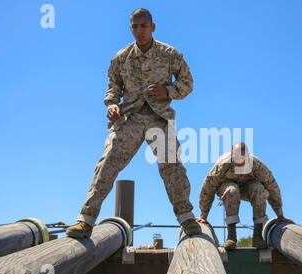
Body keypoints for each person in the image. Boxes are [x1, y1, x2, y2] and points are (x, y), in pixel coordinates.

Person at [66, 8, 201, 238]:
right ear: (130, 29)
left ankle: (187, 219)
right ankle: (85, 220)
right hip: (130, 119)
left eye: (144, 26)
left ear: (153, 27)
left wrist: (166, 90)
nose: (139, 31)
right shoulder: (121, 58)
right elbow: (113, 88)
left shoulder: (170, 55)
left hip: (159, 118)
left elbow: (188, 83)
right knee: (108, 163)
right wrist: (112, 105)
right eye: (135, 27)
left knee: (172, 166)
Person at [196, 143, 287, 250]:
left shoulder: (256, 165)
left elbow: (272, 186)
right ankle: (232, 236)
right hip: (227, 187)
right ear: (231, 155)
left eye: (242, 161)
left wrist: (280, 214)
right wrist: (203, 216)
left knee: (259, 190)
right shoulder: (222, 165)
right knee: (232, 190)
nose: (239, 164)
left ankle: (257, 236)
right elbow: (208, 188)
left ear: (247, 156)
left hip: (248, 187)